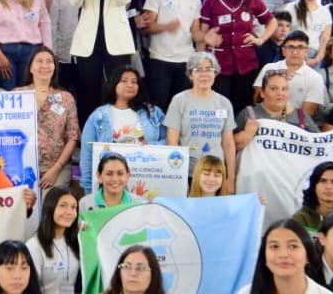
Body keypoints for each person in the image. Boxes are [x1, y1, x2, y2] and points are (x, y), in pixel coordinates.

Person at [196, 0, 271, 114]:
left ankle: (241, 137)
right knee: (219, 107)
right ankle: (222, 138)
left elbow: (272, 22)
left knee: (243, 107)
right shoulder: (210, 2)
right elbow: (202, 35)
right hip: (219, 65)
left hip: (246, 64)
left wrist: (260, 39)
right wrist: (201, 62)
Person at [70, 0, 136, 109]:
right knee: (88, 91)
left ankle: (116, 131)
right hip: (88, 42)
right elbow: (74, 2)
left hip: (117, 41)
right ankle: (88, 132)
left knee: (118, 90)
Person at [79, 66, 166, 192]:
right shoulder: (98, 116)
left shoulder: (153, 112)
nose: (130, 85)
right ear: (114, 84)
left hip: (147, 179)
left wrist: (152, 146)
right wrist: (88, 189)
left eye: (134, 81)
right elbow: (87, 155)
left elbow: (169, 140)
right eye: (124, 81)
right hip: (111, 184)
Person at [138, 0, 201, 111]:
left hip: (185, 61)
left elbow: (195, 33)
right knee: (157, 108)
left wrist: (208, 38)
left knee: (180, 109)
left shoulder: (195, 0)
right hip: (160, 59)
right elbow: (147, 27)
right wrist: (166, 27)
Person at [165, 52, 238, 185]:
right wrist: (176, 175)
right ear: (190, 75)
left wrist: (231, 178)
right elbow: (172, 141)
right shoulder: (179, 100)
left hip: (216, 174)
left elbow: (228, 143)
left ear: (215, 73)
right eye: (198, 70)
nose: (204, 74)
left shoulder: (224, 103)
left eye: (209, 69)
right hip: (187, 173)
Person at [16, 46, 78, 189]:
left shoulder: (66, 98)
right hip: (23, 166)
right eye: (39, 61)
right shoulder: (17, 95)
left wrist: (56, 169)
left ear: (55, 67)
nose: (44, 65)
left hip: (58, 168)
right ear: (30, 67)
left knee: (49, 204)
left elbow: (73, 136)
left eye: (49, 61)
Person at [27, 187, 82, 294]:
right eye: (63, 205)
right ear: (50, 208)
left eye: (74, 207)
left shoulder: (76, 241)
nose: (69, 212)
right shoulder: (34, 246)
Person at [234, 69, 319, 150]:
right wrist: (246, 135)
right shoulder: (249, 114)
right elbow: (227, 145)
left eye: (284, 89)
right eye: (273, 89)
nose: (280, 93)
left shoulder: (301, 116)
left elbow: (320, 144)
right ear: (262, 93)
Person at [255, 31, 324, 117]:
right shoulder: (269, 68)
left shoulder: (315, 78)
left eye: (300, 47)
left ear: (307, 52)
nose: (295, 52)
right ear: (283, 51)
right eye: (291, 47)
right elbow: (256, 100)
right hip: (266, 118)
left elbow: (307, 115)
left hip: (295, 124)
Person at [48, 0, 87, 96]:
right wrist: (54, 55)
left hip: (88, 58)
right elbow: (53, 25)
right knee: (60, 98)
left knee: (86, 98)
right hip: (64, 57)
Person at [284, 0, 330, 64]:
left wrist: (316, 60)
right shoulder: (291, 8)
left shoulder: (325, 13)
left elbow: (325, 41)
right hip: (293, 54)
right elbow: (283, 35)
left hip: (315, 57)